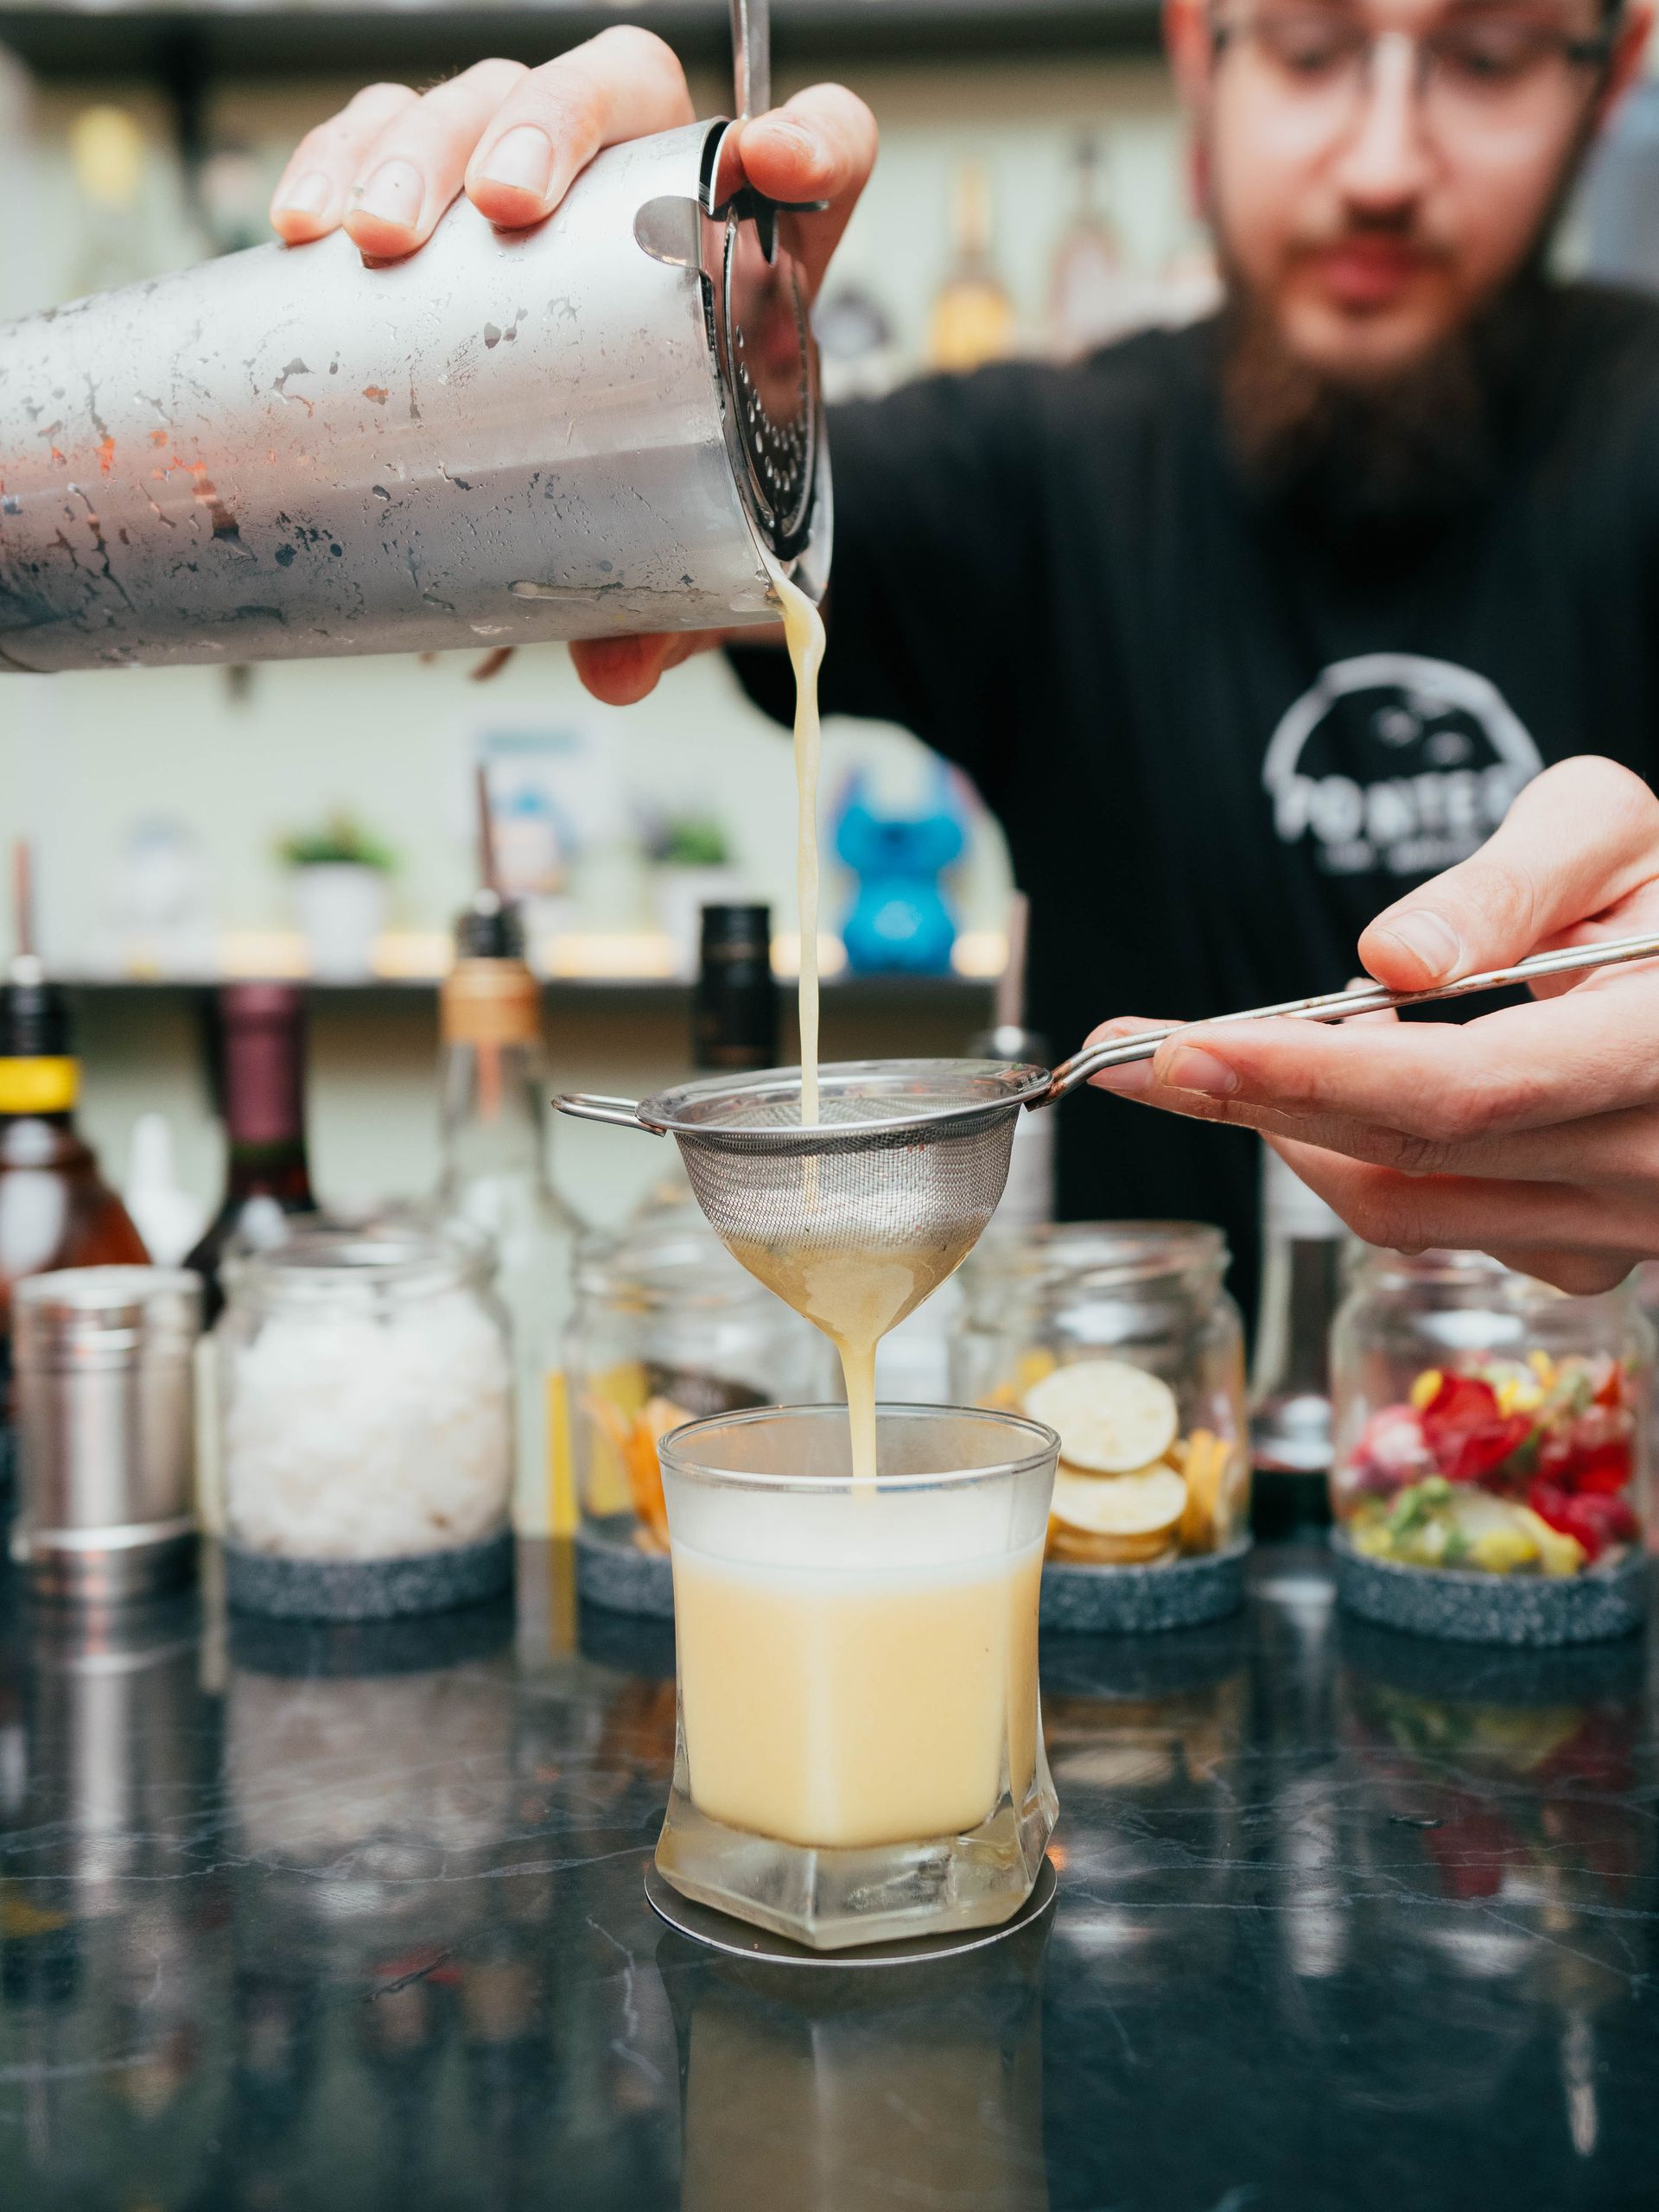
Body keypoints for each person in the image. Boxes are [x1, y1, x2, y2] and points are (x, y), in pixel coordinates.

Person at [269, 0, 1659, 1305]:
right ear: (1198, 50)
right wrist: (586, 370)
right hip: (1146, 1484)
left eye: (1486, 56)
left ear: (1616, 68)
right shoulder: (1042, 472)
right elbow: (642, 535)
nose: (1382, 165)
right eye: (1308, 49)